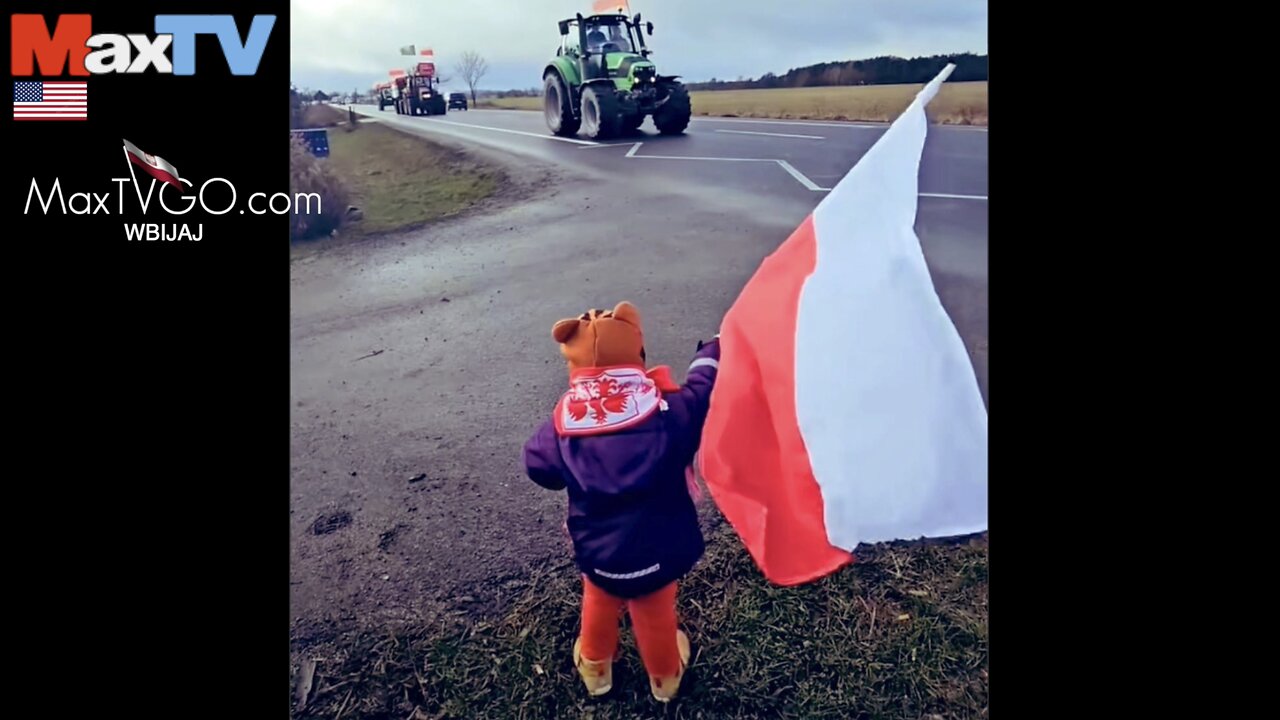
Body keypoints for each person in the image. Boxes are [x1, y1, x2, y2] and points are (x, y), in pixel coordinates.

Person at [522, 302, 720, 702]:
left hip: (598, 554)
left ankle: (596, 669)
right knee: (654, 611)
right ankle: (665, 678)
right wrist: (711, 354)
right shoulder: (667, 412)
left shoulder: (564, 424)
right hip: (661, 550)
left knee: (598, 596)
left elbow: (538, 468)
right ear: (637, 356)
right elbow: (702, 396)